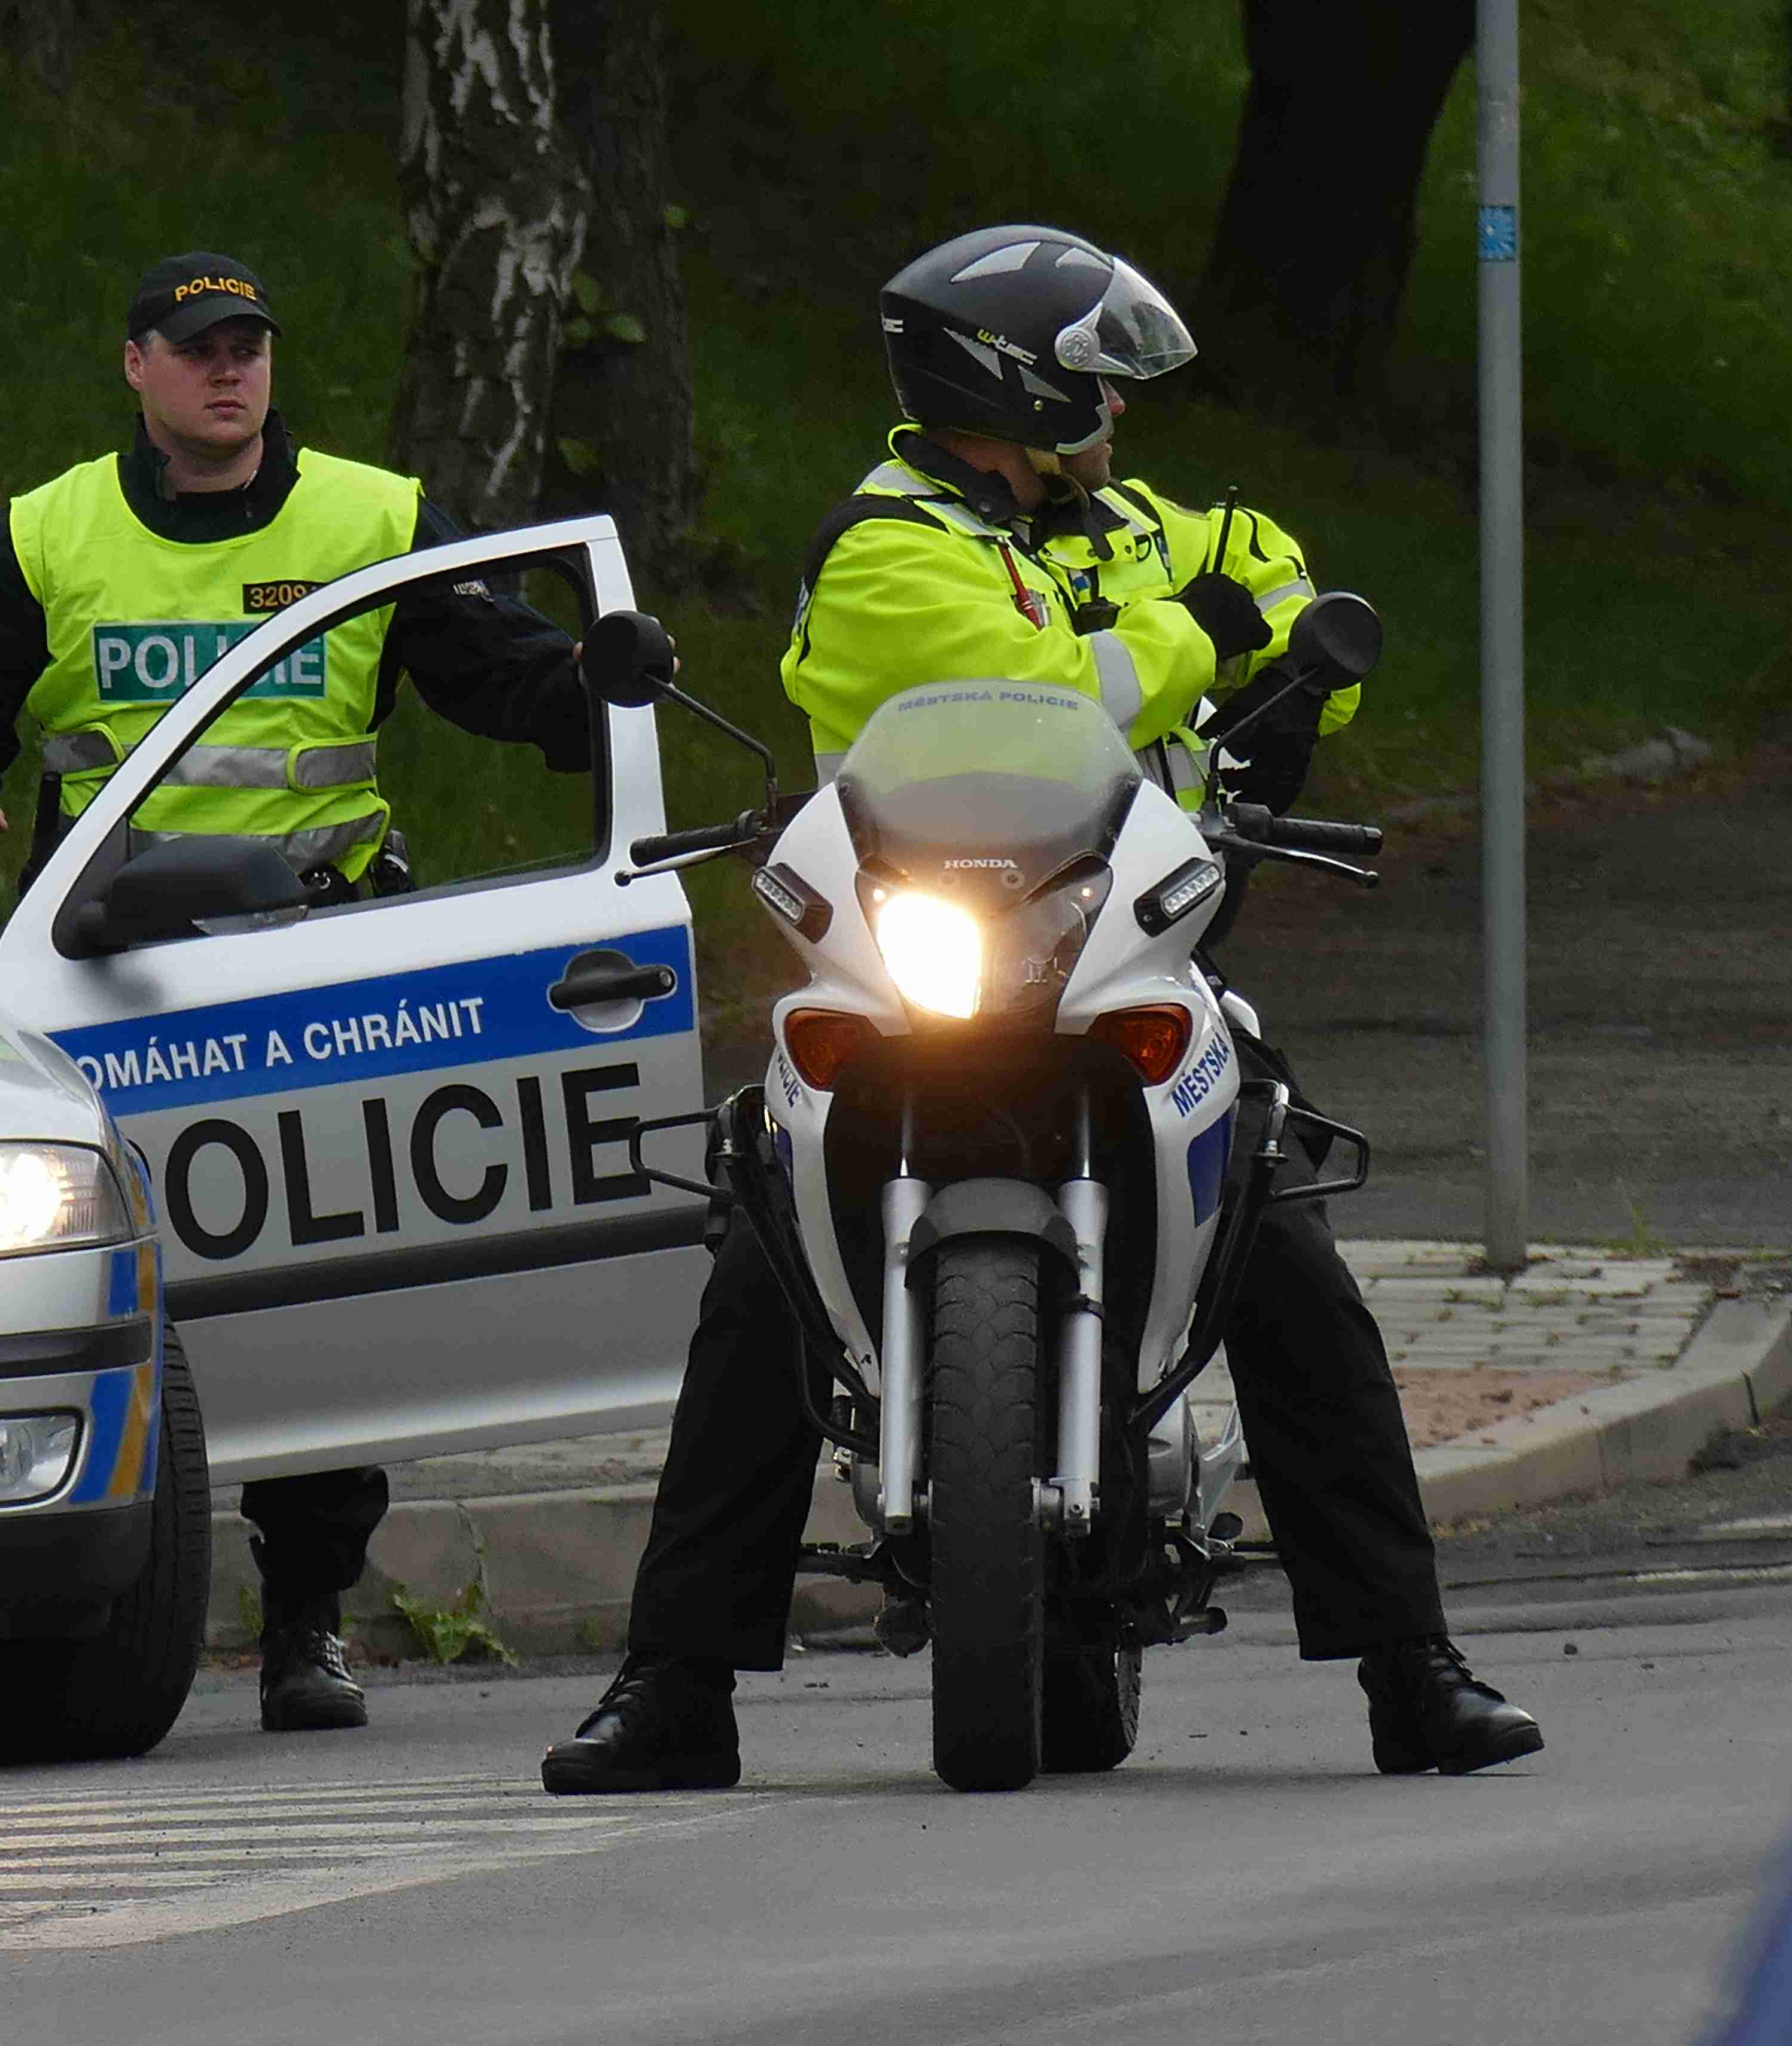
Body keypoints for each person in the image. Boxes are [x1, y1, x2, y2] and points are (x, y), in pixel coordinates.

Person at [540, 223, 1547, 1794]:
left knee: (1280, 1227)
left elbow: (1293, 605)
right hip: (922, 936)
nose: (1118, 417)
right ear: (1007, 382)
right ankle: (674, 1683)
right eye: (1093, 384)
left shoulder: (1136, 517)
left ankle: (1413, 1666)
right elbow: (1059, 692)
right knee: (762, 1241)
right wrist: (1194, 638)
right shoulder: (883, 548)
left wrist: (1264, 669)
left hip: (1127, 936)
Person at [0, 251, 589, 1734]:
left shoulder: (368, 517)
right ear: (134, 365)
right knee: (117, 1285)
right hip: (110, 978)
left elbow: (495, 667)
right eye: (198, 347)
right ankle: (88, 1596)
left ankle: (306, 1616)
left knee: (312, 1287)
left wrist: (609, 710)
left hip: (316, 967)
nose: (229, 370)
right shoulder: (48, 533)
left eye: (249, 345)